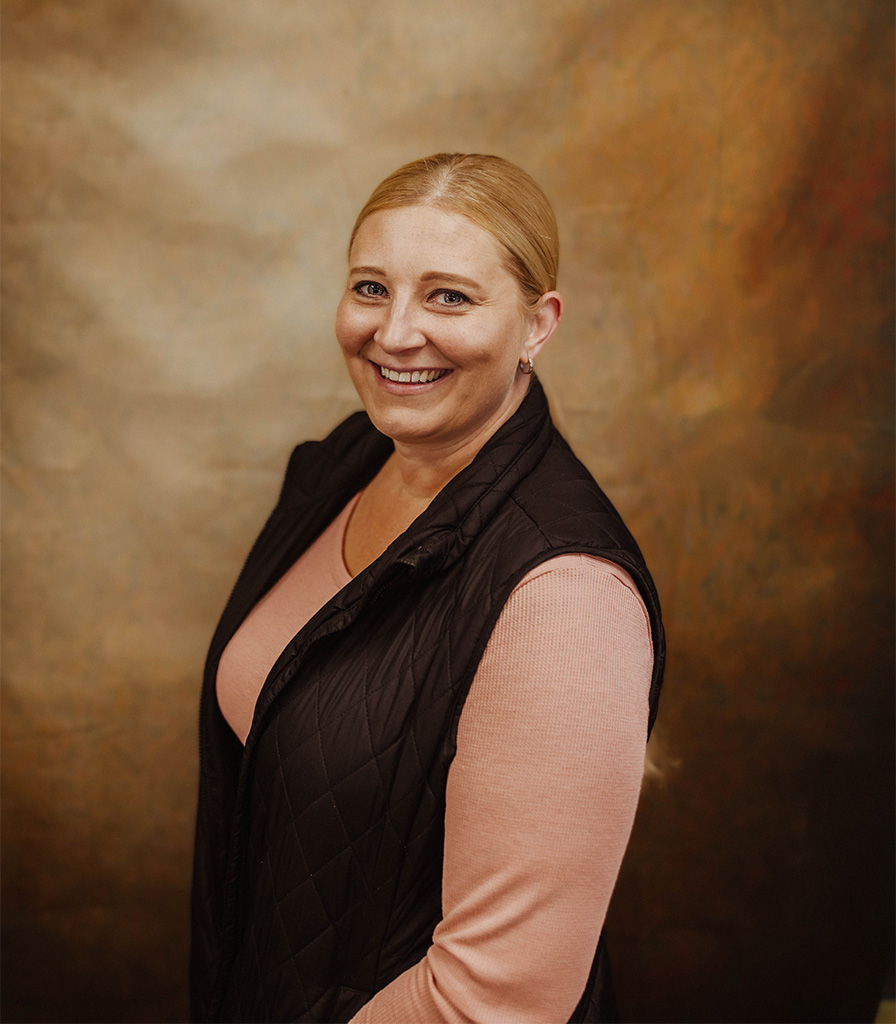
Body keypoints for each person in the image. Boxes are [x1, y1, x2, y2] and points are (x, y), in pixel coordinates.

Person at [190, 152, 665, 1024]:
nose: (396, 332)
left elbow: (491, 1005)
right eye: (371, 288)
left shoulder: (566, 596)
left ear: (537, 324)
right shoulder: (348, 462)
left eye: (449, 296)